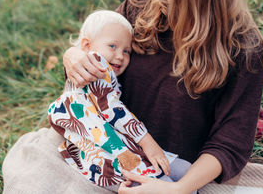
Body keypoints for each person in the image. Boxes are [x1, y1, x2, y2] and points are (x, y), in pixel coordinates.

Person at [63, 0, 263, 193]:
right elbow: (95, 57)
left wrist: (179, 189)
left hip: (177, 168)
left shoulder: (244, 48)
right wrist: (73, 55)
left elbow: (229, 144)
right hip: (111, 151)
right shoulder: (140, 5)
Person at [48, 10, 195, 193]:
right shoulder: (95, 64)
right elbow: (110, 108)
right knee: (169, 182)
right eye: (112, 46)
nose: (120, 56)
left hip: (126, 145)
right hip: (106, 153)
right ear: (86, 45)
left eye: (126, 51)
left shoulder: (106, 71)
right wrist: (147, 141)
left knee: (187, 172)